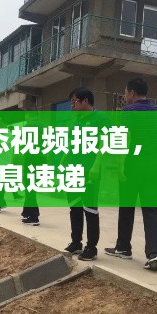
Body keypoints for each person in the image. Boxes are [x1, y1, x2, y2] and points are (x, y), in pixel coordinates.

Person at [105, 78, 157, 271]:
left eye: (125, 92)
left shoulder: (128, 111)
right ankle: (154, 254)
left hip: (132, 165)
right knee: (152, 209)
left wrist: (119, 166)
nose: (125, 96)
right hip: (153, 166)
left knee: (126, 206)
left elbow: (125, 139)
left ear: (131, 92)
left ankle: (123, 247)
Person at [63, 87, 107, 261]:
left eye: (74, 101)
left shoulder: (101, 119)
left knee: (90, 209)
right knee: (74, 207)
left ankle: (91, 247)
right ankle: (76, 242)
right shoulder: (77, 120)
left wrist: (96, 166)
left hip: (89, 171)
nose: (72, 105)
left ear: (85, 101)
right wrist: (63, 161)